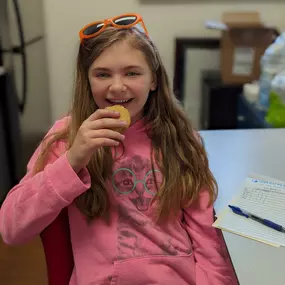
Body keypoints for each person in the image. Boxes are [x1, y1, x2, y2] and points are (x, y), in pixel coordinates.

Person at [0, 13, 237, 285]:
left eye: (132, 72)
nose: (117, 86)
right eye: (102, 74)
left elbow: (207, 236)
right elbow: (11, 229)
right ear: (87, 80)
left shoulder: (181, 140)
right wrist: (73, 159)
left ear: (154, 80)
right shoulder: (67, 138)